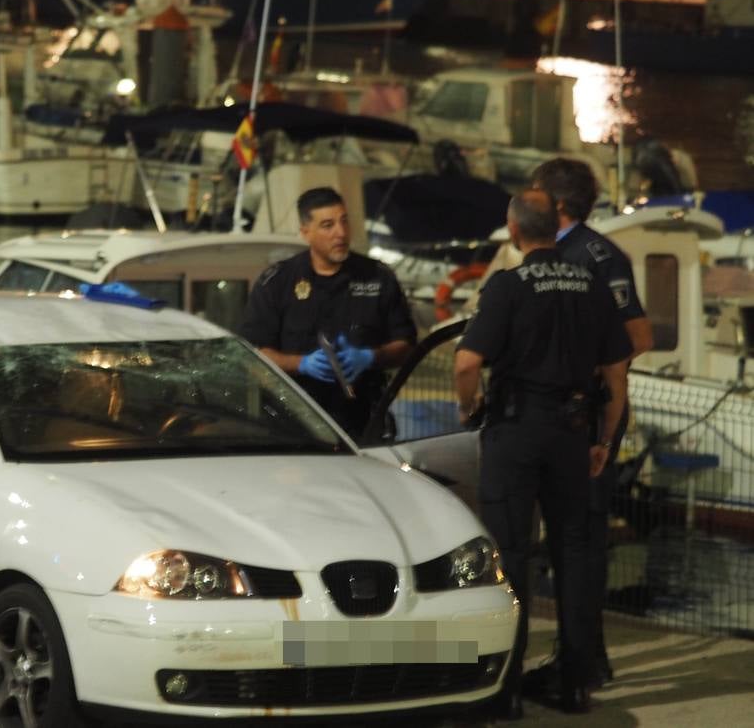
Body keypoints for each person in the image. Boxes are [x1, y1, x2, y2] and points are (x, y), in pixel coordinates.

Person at [454, 190, 631, 719]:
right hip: (574, 432)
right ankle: (575, 683)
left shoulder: (507, 286)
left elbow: (466, 363)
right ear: (555, 227)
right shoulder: (593, 285)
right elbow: (616, 376)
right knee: (574, 554)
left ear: (513, 230)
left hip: (517, 432)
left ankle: (505, 689)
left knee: (511, 557)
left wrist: (471, 408)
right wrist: (603, 439)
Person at [528, 158, 654, 690]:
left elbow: (637, 338)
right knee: (571, 538)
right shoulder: (559, 252)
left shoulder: (594, 256)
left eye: (533, 195)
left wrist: (579, 371)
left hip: (586, 416)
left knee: (578, 538)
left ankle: (580, 662)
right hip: (565, 415)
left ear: (555, 203)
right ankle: (586, 655)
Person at [239, 187, 416, 438]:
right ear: (305, 232)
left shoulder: (377, 277)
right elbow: (254, 354)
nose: (340, 233)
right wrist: (301, 364)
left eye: (344, 221)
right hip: (293, 425)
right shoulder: (278, 282)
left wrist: (370, 357)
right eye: (327, 225)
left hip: (362, 424)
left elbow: (406, 346)